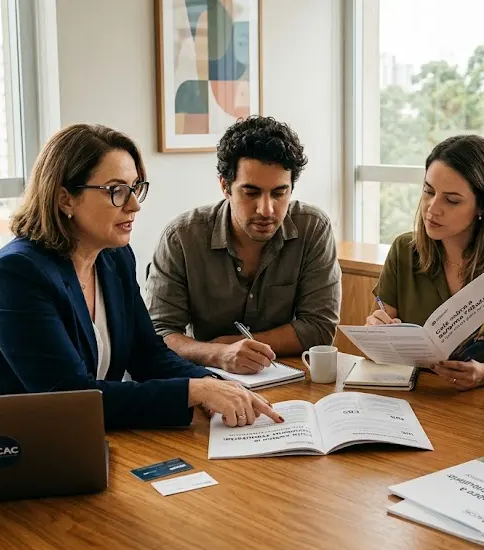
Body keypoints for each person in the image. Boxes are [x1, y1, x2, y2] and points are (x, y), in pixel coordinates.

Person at [0, 124, 283, 429]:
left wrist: (216, 385)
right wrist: (194, 391)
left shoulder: (113, 258)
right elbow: (69, 397)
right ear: (65, 198)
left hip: (66, 443)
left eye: (136, 188)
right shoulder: (17, 274)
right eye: (116, 190)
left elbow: (147, 355)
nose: (134, 205)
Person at [146, 116, 341, 374]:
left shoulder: (313, 228)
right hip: (206, 377)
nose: (266, 209)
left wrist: (240, 345)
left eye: (279, 193)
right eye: (251, 192)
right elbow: (159, 334)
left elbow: (319, 327)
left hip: (283, 376)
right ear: (225, 186)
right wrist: (217, 354)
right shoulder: (181, 238)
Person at [366, 135, 484, 390]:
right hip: (416, 393)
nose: (432, 209)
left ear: (482, 206)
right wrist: (377, 331)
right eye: (428, 191)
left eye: (452, 200)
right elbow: (381, 330)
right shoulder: (404, 250)